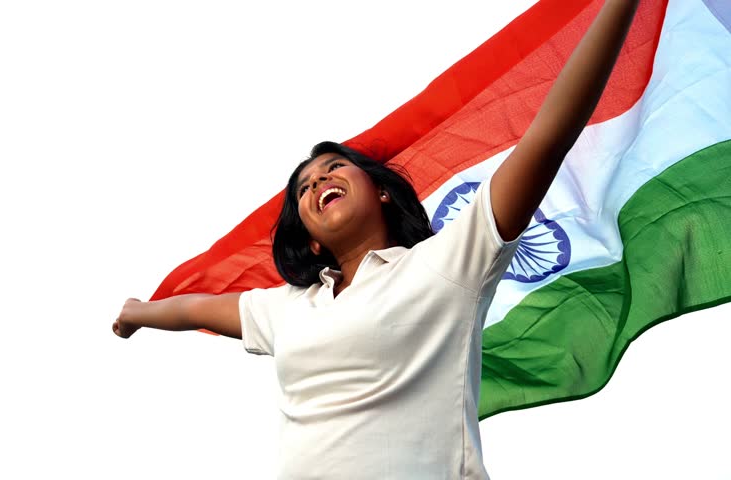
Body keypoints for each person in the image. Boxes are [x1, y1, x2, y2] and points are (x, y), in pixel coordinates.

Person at [113, 0, 641, 478]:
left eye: (333, 167)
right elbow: (198, 310)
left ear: (382, 193)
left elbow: (549, 134)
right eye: (304, 186)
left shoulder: (450, 263)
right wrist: (139, 312)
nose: (318, 181)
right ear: (312, 241)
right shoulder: (289, 306)